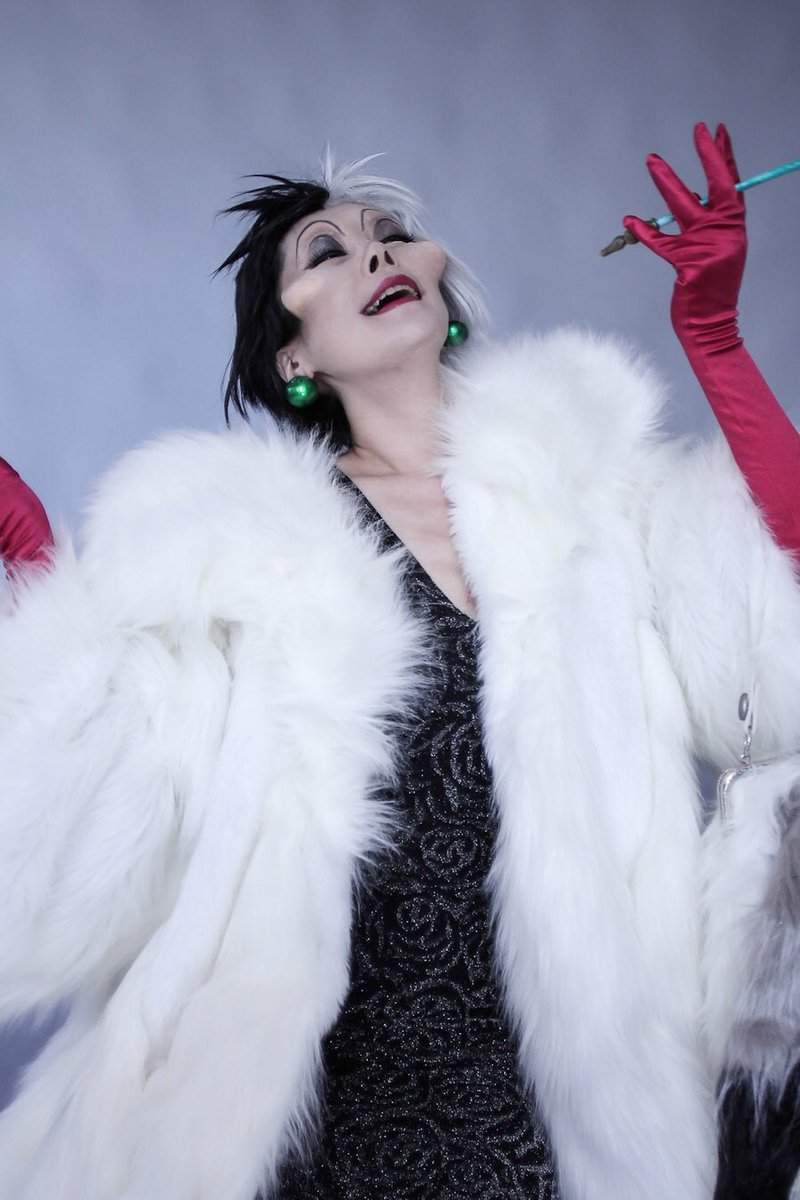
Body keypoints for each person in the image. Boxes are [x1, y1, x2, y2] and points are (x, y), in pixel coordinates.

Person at [0, 123, 799, 1200]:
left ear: (443, 292)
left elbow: (774, 635)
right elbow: (99, 814)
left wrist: (714, 341)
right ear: (294, 357)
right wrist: (38, 568)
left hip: (558, 1119)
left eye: (392, 234)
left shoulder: (598, 501)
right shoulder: (234, 554)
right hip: (307, 1119)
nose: (375, 251)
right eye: (326, 252)